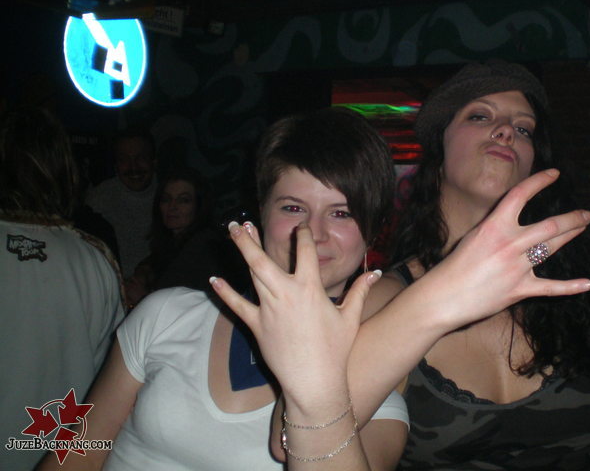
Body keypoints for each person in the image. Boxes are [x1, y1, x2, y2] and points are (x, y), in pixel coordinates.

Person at [221, 60, 590, 470]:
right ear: (438, 149)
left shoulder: (586, 290)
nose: (507, 130)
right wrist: (443, 296)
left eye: (523, 128)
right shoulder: (384, 298)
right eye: (480, 116)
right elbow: (294, 440)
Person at [39, 108, 409, 471]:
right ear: (262, 213)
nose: (311, 233)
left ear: (372, 231)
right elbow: (79, 453)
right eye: (293, 208)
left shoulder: (369, 395)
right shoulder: (165, 314)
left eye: (341, 213)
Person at [0, 106, 124, 471]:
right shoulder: (96, 258)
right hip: (65, 456)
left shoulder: (96, 256)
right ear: (64, 170)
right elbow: (114, 378)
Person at [125, 167, 246, 304]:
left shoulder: (203, 246)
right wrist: (144, 273)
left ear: (199, 206)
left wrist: (143, 299)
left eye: (183, 200)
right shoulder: (171, 244)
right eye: (166, 199)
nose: (172, 207)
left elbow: (187, 306)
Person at [85, 127, 157, 279]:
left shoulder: (169, 195)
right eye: (124, 159)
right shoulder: (99, 198)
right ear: (116, 165)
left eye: (141, 158)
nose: (133, 167)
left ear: (154, 161)